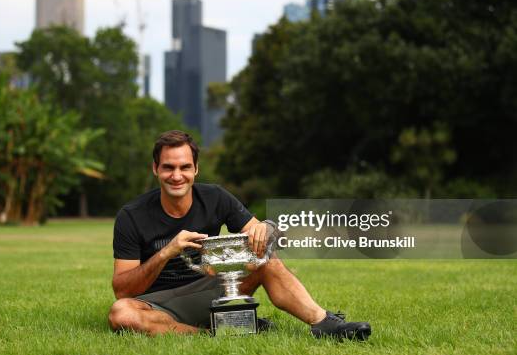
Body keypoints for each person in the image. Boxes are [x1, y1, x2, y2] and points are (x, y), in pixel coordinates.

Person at [108, 130, 371, 339]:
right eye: (168, 167)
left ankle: (324, 322)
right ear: (155, 168)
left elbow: (263, 235)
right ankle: (215, 331)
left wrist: (267, 227)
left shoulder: (215, 197)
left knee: (266, 258)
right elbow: (123, 290)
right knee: (122, 315)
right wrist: (167, 252)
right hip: (157, 304)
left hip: (211, 288)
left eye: (185, 167)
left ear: (196, 169)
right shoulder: (132, 216)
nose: (177, 175)